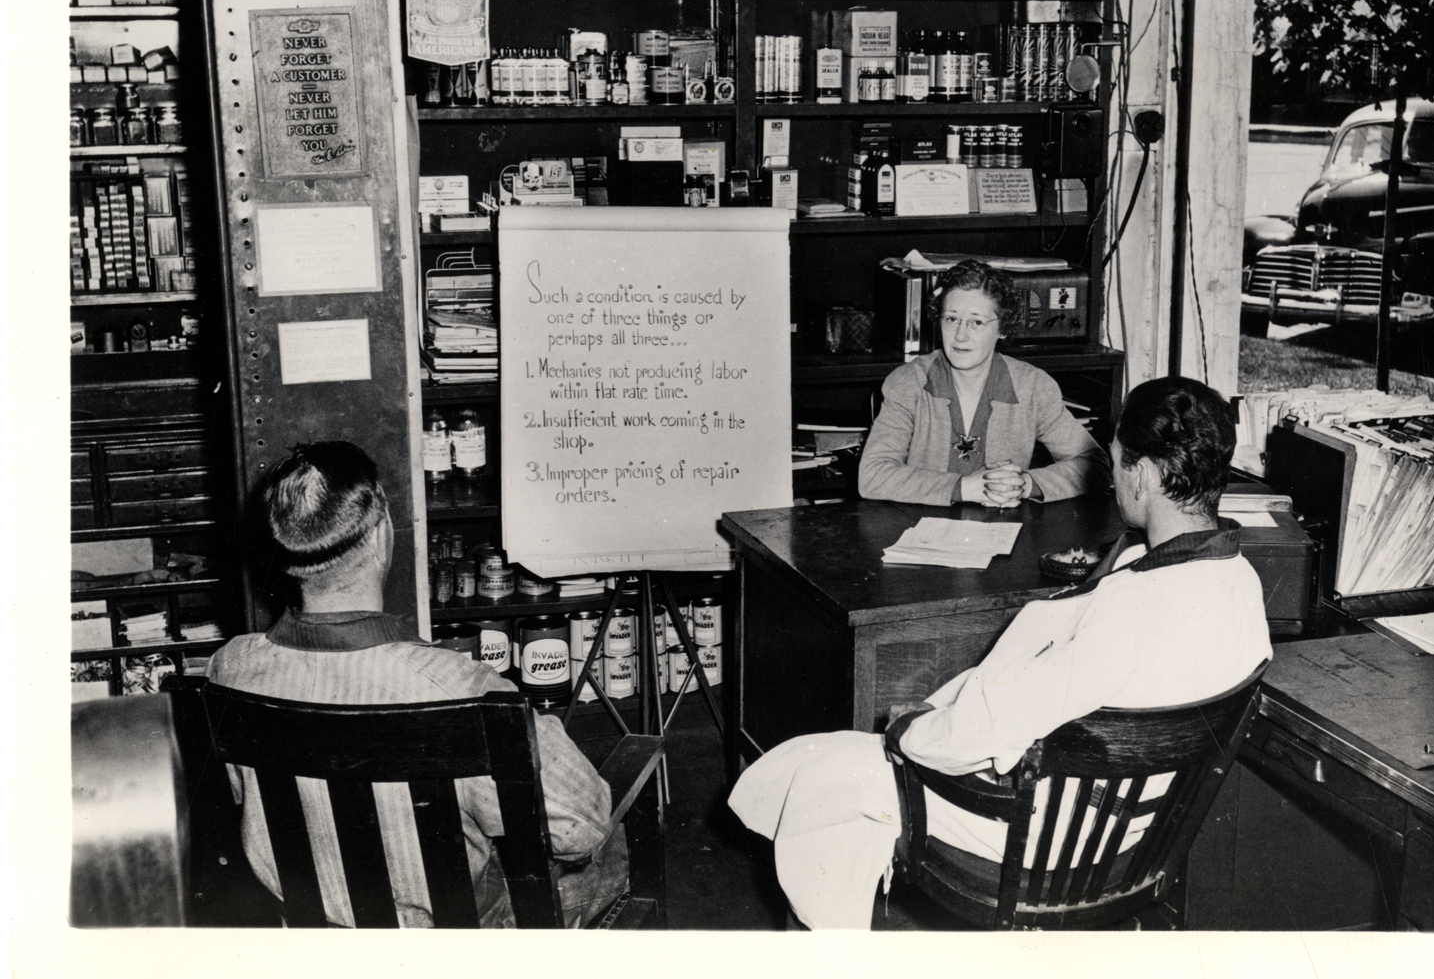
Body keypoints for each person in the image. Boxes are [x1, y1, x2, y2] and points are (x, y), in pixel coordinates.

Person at [731, 376, 1273, 928]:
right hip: (1140, 831)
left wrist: (908, 730)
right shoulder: (1242, 582)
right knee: (823, 775)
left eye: (1117, 464)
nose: (1113, 480)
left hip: (1050, 839)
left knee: (818, 776)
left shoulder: (1134, 609)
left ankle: (829, 947)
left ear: (1145, 474)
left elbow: (979, 732)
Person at [206, 441, 627, 928]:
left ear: (280, 553)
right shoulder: (462, 689)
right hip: (451, 943)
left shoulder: (229, 668)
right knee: (612, 840)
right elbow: (583, 828)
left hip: (309, 935)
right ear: (381, 535)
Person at [857, 258, 1109, 507]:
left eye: (976, 322)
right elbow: (872, 475)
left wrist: (1025, 484)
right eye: (951, 319)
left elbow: (1095, 464)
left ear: (1003, 328)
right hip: (918, 525)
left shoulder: (1033, 387)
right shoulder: (908, 383)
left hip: (1004, 524)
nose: (960, 336)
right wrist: (964, 488)